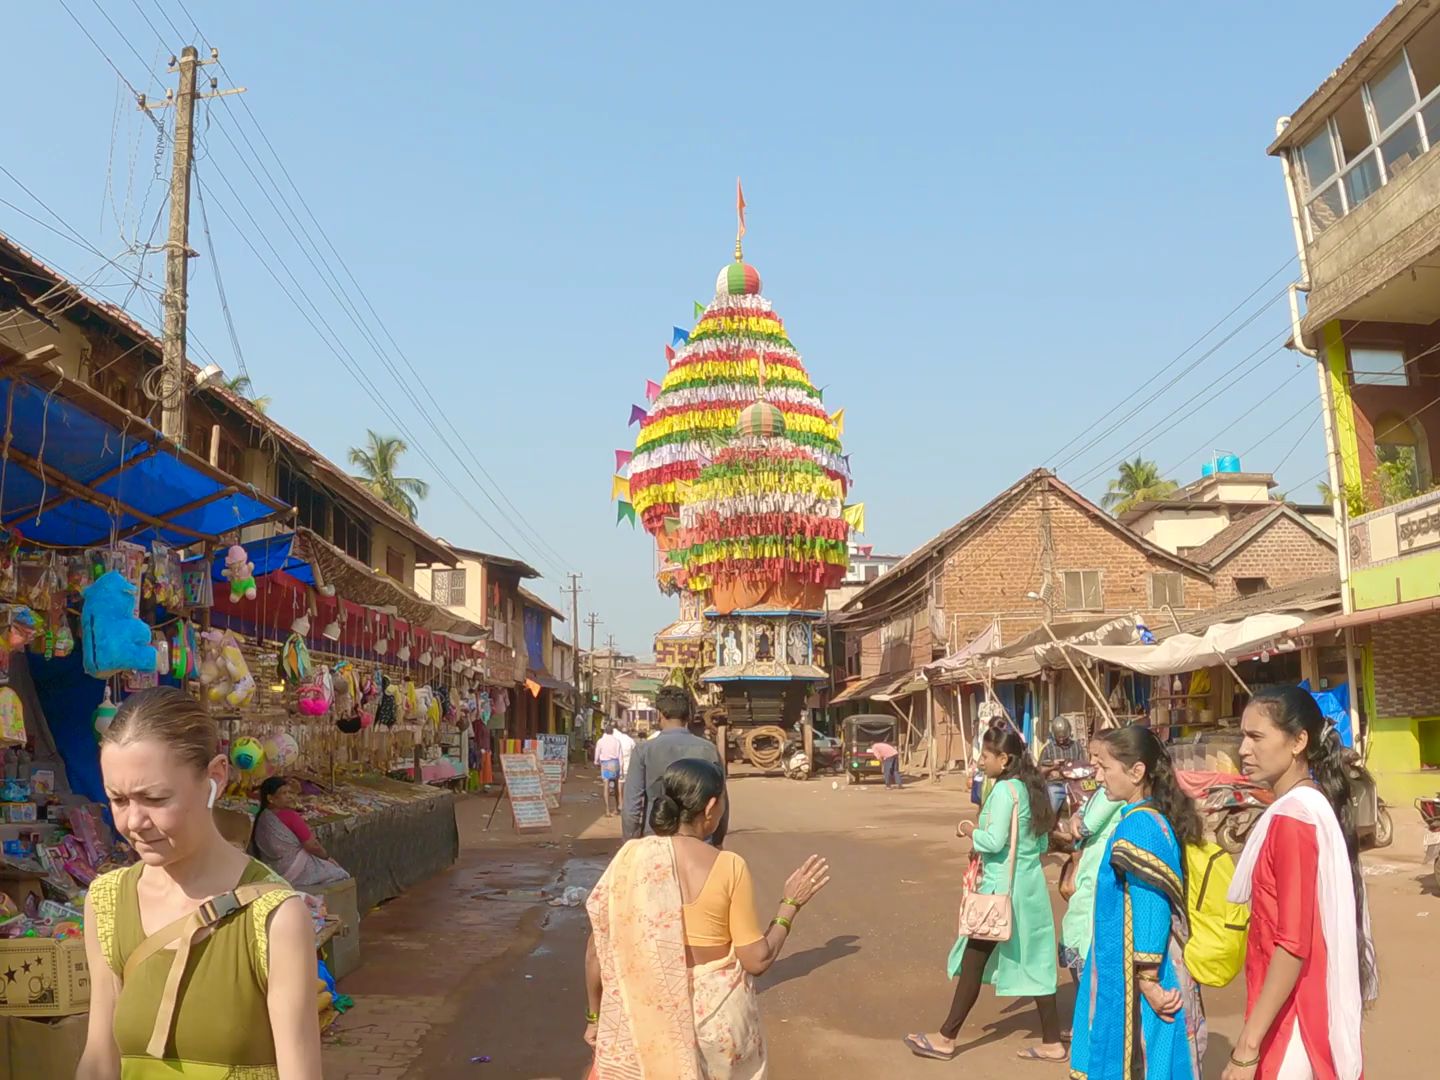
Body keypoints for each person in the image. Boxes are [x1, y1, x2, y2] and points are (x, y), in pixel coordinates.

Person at [77, 686, 321, 1080]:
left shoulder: (274, 917)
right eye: (118, 800)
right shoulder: (107, 901)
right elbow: (99, 1057)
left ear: (215, 777)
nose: (133, 822)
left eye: (154, 798)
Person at [584, 759, 830, 1077]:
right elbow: (757, 960)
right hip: (718, 1023)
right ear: (711, 807)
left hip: (649, 1020)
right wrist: (789, 905)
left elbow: (596, 950)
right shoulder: (728, 865)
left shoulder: (630, 859)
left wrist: (595, 1017)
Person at [1220, 686, 1376, 1080]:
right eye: (1243, 735)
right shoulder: (1305, 807)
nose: (1243, 749)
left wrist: (1247, 1045)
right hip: (1295, 1005)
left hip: (1294, 1017)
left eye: (1256, 736)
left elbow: (1292, 944)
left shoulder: (1294, 819)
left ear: (1298, 742)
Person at [905, 726, 1064, 1063]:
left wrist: (968, 830)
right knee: (1037, 962)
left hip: (999, 892)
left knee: (972, 962)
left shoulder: (1006, 791)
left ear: (1004, 760)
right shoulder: (1031, 790)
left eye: (985, 755)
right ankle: (1051, 1041)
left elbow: (993, 842)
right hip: (1029, 890)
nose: (979, 761)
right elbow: (1039, 843)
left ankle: (947, 1037)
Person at [1070, 725, 1206, 1080]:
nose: (1098, 776)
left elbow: (1150, 907)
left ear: (1136, 771)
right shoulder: (1147, 817)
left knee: (1142, 1060)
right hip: (1138, 963)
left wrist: (1147, 980)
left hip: (1145, 972)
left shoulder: (1140, 826)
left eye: (1105, 767)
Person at [623, 686, 729, 845]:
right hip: (700, 842)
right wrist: (718, 841)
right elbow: (721, 802)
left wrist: (631, 844)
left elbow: (632, 809)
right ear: (689, 715)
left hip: (656, 841)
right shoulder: (709, 749)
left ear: (659, 714)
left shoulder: (643, 751)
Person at [1056, 771, 1125, 982]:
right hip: (1090, 868)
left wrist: (1078, 819)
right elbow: (1080, 817)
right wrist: (1078, 816)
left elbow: (1087, 826)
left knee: (1086, 935)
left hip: (1096, 870)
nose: (1096, 770)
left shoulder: (1113, 791)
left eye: (1102, 762)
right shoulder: (1104, 789)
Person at [251, 776, 350, 889]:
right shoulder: (290, 816)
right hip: (294, 871)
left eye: (289, 792)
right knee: (340, 874)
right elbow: (312, 846)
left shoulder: (262, 817)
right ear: (270, 798)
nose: (289, 796)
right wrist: (328, 858)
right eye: (284, 793)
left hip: (274, 873)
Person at [1039, 714, 1087, 814]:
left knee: (1085, 808)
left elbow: (1084, 765)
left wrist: (1073, 766)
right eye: (1058, 737)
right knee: (1050, 810)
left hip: (1074, 785)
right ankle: (1048, 826)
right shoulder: (1048, 749)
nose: (1061, 740)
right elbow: (1039, 770)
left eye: (1064, 737)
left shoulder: (1077, 747)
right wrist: (1053, 767)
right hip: (1056, 785)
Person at [594, 724, 623, 817]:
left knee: (606, 786)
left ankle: (607, 810)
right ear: (613, 732)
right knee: (616, 787)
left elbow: (597, 753)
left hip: (605, 764)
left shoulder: (600, 741)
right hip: (615, 764)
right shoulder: (617, 741)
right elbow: (620, 756)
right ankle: (617, 808)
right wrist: (621, 769)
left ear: (605, 731)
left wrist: (596, 761)